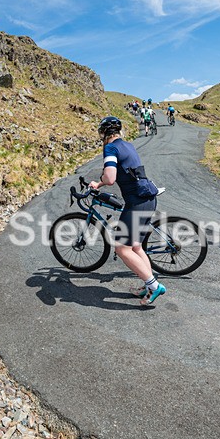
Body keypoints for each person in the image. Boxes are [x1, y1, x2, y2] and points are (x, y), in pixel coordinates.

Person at [89, 116, 165, 305]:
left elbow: (110, 177)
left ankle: (154, 286)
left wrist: (97, 183)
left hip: (137, 202)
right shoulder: (128, 145)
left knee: (122, 248)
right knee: (136, 247)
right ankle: (148, 285)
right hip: (148, 198)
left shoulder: (110, 147)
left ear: (103, 134)